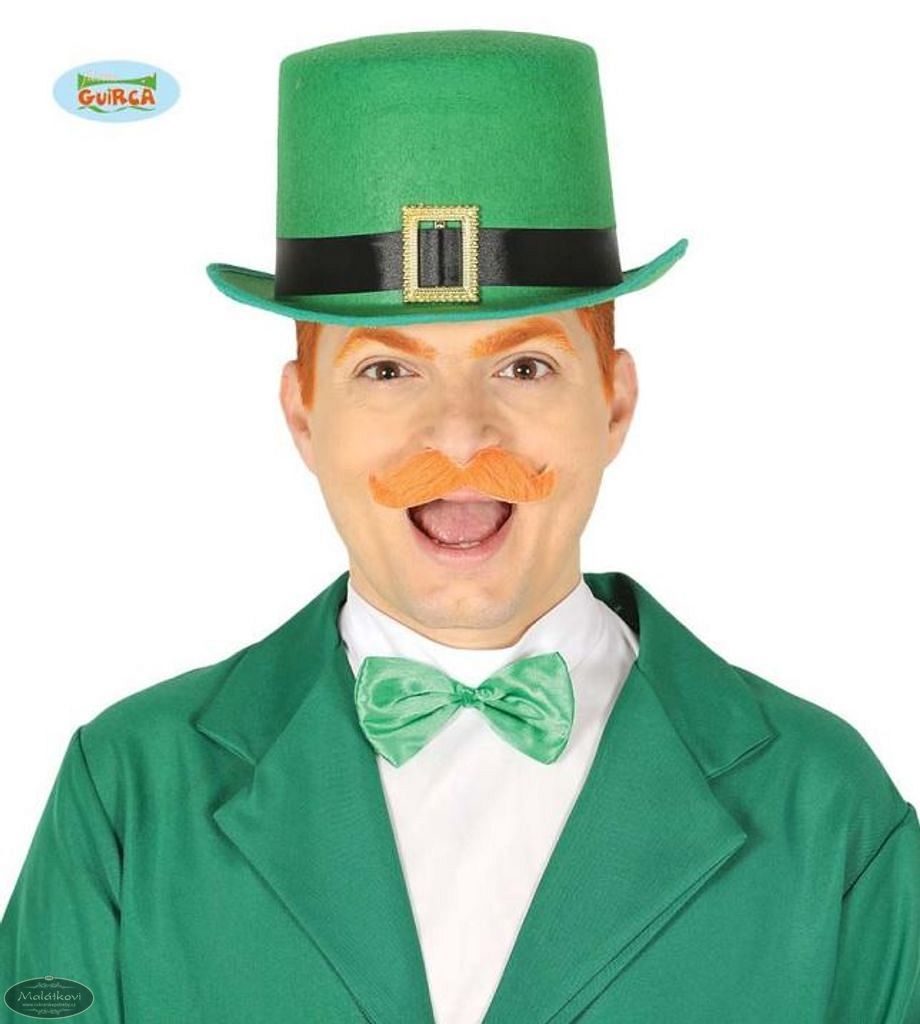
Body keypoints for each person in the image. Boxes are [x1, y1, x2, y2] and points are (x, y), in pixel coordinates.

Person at [3, 28, 918, 1024]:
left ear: (613, 403)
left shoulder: (826, 807)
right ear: (303, 415)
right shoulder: (129, 792)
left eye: (524, 367)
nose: (459, 433)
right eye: (386, 370)